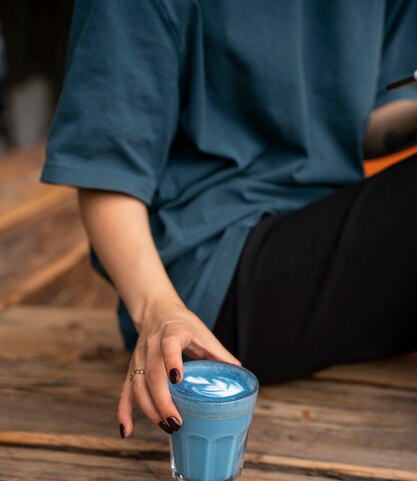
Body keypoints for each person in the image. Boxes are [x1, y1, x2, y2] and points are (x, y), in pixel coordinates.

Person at [40, 0, 417, 438]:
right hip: (206, 279)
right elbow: (108, 166)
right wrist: (157, 310)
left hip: (324, 232)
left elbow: (352, 124)